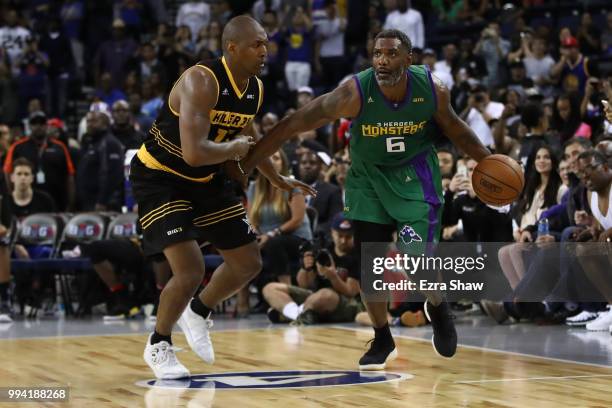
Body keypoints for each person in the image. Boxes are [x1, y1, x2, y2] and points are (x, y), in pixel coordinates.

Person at [235, 29, 491, 369]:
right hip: (368, 179)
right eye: (377, 54)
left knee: (417, 260)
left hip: (416, 177)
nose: (382, 60)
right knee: (372, 263)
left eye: (391, 54)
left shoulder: (432, 90)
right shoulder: (353, 92)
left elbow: (457, 129)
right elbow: (293, 123)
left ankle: (438, 306)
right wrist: (249, 165)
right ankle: (382, 336)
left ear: (408, 58)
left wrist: (489, 162)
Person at [130, 15, 314, 380]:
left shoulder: (254, 89)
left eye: (266, 43)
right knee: (191, 268)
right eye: (256, 44)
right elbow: (195, 153)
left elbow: (250, 145)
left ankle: (197, 310)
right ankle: (159, 343)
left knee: (248, 262)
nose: (265, 50)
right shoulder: (202, 80)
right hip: (161, 177)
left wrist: (277, 177)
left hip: (207, 178)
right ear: (232, 47)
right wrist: (234, 148)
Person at [263, 213, 361, 324]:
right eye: (340, 235)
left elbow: (351, 292)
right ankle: (299, 314)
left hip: (345, 303)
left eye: (348, 236)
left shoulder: (359, 255)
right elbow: (304, 284)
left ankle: (290, 313)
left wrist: (333, 277)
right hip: (314, 298)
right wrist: (306, 268)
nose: (343, 240)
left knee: (326, 294)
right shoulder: (322, 249)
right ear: (332, 232)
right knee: (270, 288)